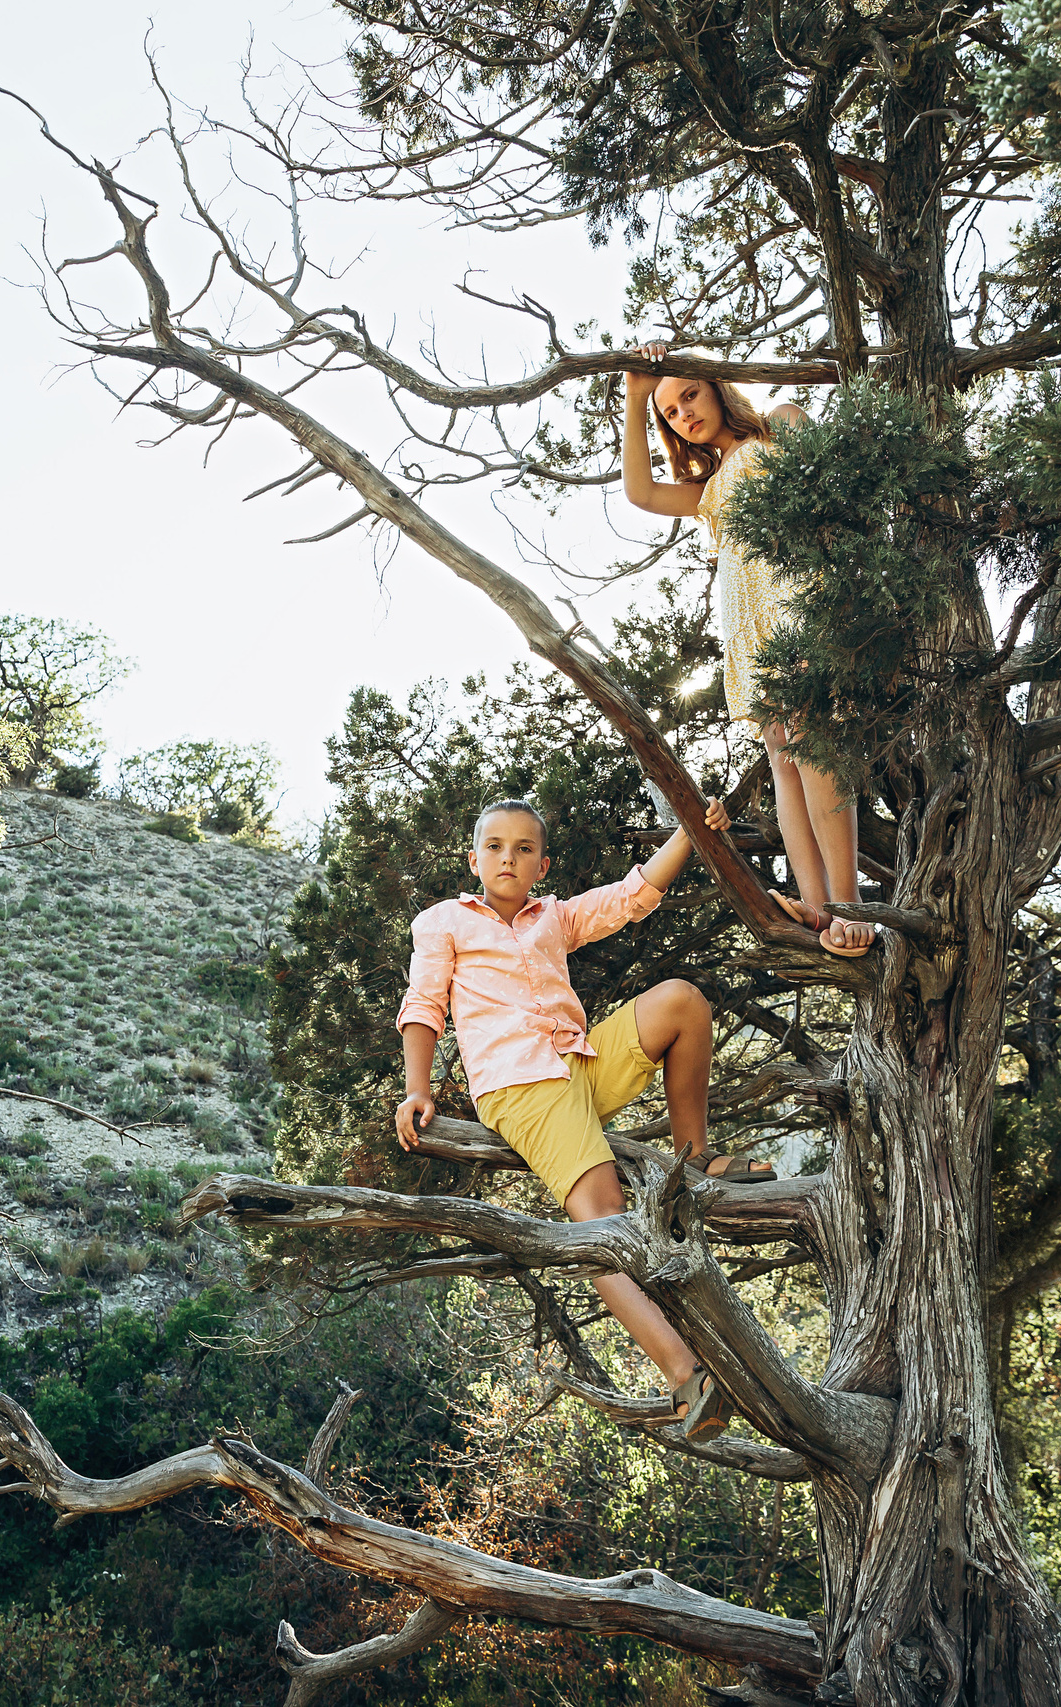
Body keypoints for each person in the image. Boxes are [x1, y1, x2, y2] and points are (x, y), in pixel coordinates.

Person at [393, 795, 763, 1439]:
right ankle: (685, 1378)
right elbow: (423, 1002)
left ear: (541, 865)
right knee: (601, 1221)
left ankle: (694, 1153)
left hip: (579, 1066)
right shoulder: (444, 922)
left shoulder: (553, 918)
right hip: (521, 1084)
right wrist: (417, 1088)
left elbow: (630, 894)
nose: (508, 858)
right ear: (473, 857)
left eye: (525, 849)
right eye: (495, 847)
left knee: (682, 1002)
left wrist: (689, 833)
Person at [619, 342, 874, 958]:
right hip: (747, 623)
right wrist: (633, 398)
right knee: (783, 758)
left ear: (717, 386)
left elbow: (827, 500)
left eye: (690, 394)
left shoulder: (779, 425)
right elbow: (640, 493)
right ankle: (815, 907)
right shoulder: (706, 487)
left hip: (795, 602)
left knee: (815, 744)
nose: (684, 414)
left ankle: (849, 903)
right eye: (670, 412)